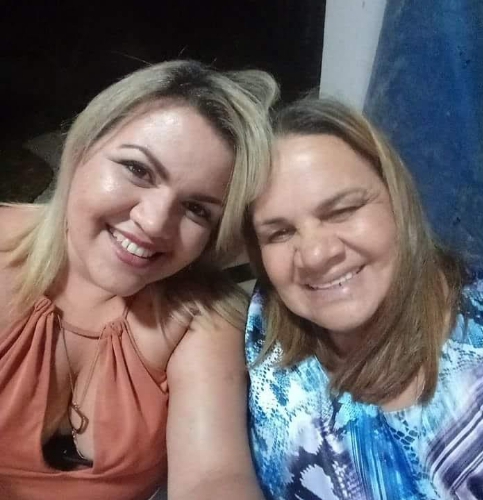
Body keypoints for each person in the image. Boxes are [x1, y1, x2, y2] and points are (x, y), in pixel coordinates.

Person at [0, 59, 278, 500]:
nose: (153, 223)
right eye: (138, 170)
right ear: (81, 149)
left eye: (197, 209)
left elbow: (213, 477)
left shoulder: (203, 318)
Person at [245, 97, 483, 500]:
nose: (315, 255)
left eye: (342, 210)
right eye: (279, 233)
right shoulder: (261, 328)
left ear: (398, 202)